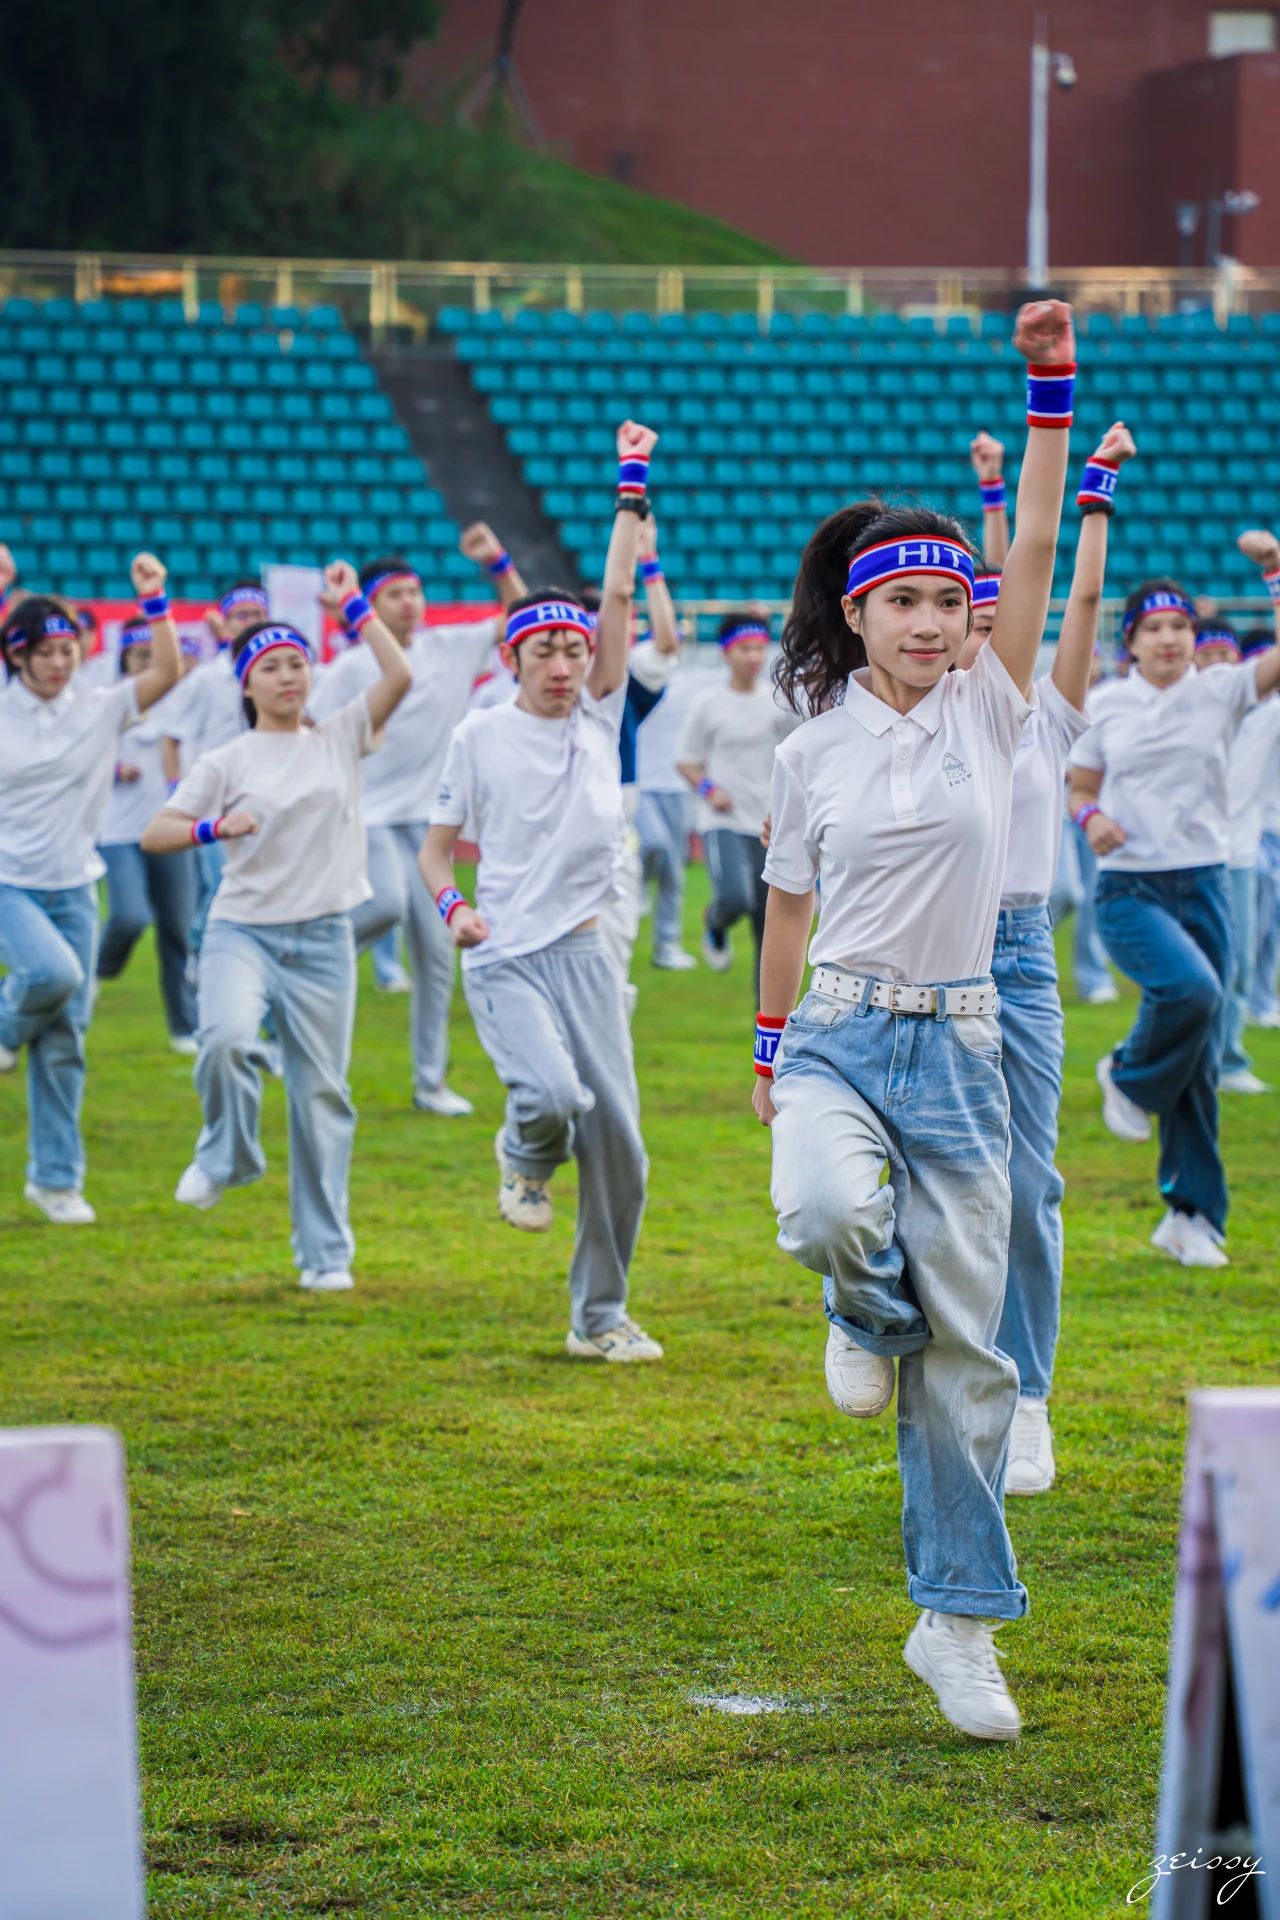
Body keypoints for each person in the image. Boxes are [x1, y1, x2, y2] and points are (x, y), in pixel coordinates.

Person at [753, 301, 1075, 1742]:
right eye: (906, 604)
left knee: (971, 1368)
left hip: (962, 1054)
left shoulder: (994, 713)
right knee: (823, 1212)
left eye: (953, 602)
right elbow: (781, 909)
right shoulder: (807, 748)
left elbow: (1042, 552)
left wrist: (1051, 396)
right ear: (858, 614)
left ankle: (956, 1629)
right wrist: (767, 1048)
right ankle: (859, 1308)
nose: (935, 623)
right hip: (833, 1036)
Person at [420, 421, 663, 1363]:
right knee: (556, 1099)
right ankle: (523, 1154)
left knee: (624, 1153)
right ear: (514, 660)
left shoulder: (601, 717)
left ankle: (598, 1317)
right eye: (544, 653)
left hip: (588, 955)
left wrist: (629, 485)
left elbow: (614, 592)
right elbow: (436, 854)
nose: (564, 667)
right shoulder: (479, 736)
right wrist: (457, 911)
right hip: (504, 951)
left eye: (575, 651)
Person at [140, 566, 412, 1291]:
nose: (289, 676)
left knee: (323, 1097)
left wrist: (354, 603)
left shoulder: (341, 736)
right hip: (243, 931)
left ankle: (325, 1253)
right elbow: (156, 832)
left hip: (324, 939)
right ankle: (227, 1153)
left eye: (298, 662)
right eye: (271, 667)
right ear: (245, 684)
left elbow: (400, 673)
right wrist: (211, 826)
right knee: (226, 1041)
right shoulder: (226, 759)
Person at [978, 421, 1135, 1498]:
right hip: (910, 954)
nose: (1003, 638)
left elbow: (1070, 600)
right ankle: (880, 1322)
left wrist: (1093, 499)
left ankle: (1026, 1396)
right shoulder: (916, 718)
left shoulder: (1047, 718)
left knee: (1027, 1185)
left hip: (1019, 954)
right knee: (911, 1176)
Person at [1067, 530, 1280, 1268]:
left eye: (1181, 626)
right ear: (1132, 641)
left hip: (1207, 882)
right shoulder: (1107, 701)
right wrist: (1090, 819)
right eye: (1154, 627)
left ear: (1196, 637)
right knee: (1191, 992)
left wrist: (1277, 574)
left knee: (1198, 1057)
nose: (1169, 638)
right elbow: (1081, 785)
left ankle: (1192, 1216)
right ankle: (1125, 1072)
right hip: (1130, 887)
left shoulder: (1221, 690)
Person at [308, 525, 526, 1117]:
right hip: (367, 818)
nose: (408, 603)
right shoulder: (351, 668)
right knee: (386, 905)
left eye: (413, 592)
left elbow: (522, 621)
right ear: (369, 608)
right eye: (392, 596)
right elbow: (308, 734)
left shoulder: (449, 650)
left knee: (436, 953)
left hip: (430, 826)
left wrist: (497, 562)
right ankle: (301, 964)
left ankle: (430, 1083)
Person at [0, 554, 181, 1223]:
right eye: (44, 651)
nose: (58, 662)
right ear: (17, 656)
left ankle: (54, 1181)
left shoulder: (100, 708)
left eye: (68, 648)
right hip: (7, 884)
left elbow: (167, 671)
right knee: (52, 974)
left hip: (76, 885)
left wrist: (154, 599)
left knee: (66, 1041)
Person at [677, 615, 798, 989]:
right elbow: (687, 760)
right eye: (745, 648)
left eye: (760, 648)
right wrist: (710, 790)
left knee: (769, 925)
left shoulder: (780, 701)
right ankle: (715, 922)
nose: (754, 656)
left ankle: (766, 1022)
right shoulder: (707, 704)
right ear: (726, 653)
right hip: (723, 820)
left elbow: (799, 753)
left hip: (768, 822)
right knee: (734, 897)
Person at [594, 513, 685, 1004]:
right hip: (555, 844)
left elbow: (667, 642)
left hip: (614, 838)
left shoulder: (624, 687)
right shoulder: (546, 697)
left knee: (613, 966)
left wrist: (649, 561)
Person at [96, 615, 198, 1052]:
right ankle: (99, 970)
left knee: (176, 930)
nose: (145, 663)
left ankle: (183, 1026)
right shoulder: (107, 703)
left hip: (170, 831)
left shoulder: (183, 702)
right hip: (119, 831)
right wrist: (113, 768)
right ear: (124, 657)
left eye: (152, 655)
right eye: (138, 655)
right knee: (130, 915)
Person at [1212, 625, 1280, 1093]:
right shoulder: (1180, 713)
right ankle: (1151, 1059)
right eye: (1207, 652)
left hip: (1237, 857)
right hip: (1183, 859)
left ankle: (1228, 1060)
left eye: (1225, 653)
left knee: (1237, 964)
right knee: (1187, 978)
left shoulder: (1265, 713)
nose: (1216, 660)